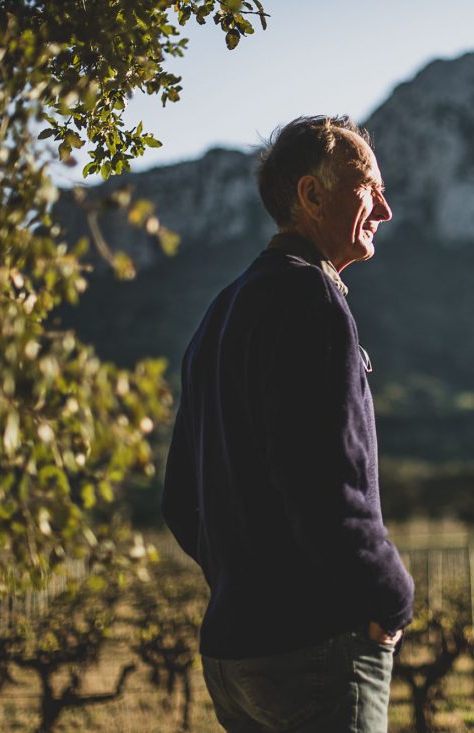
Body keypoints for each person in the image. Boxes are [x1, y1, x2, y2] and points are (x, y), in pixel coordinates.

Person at [161, 115, 415, 733]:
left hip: (233, 651)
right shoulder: (311, 299)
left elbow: (179, 502)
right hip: (316, 647)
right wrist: (392, 597)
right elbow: (330, 486)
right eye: (369, 188)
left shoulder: (221, 312)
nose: (383, 208)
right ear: (311, 195)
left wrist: (244, 581)